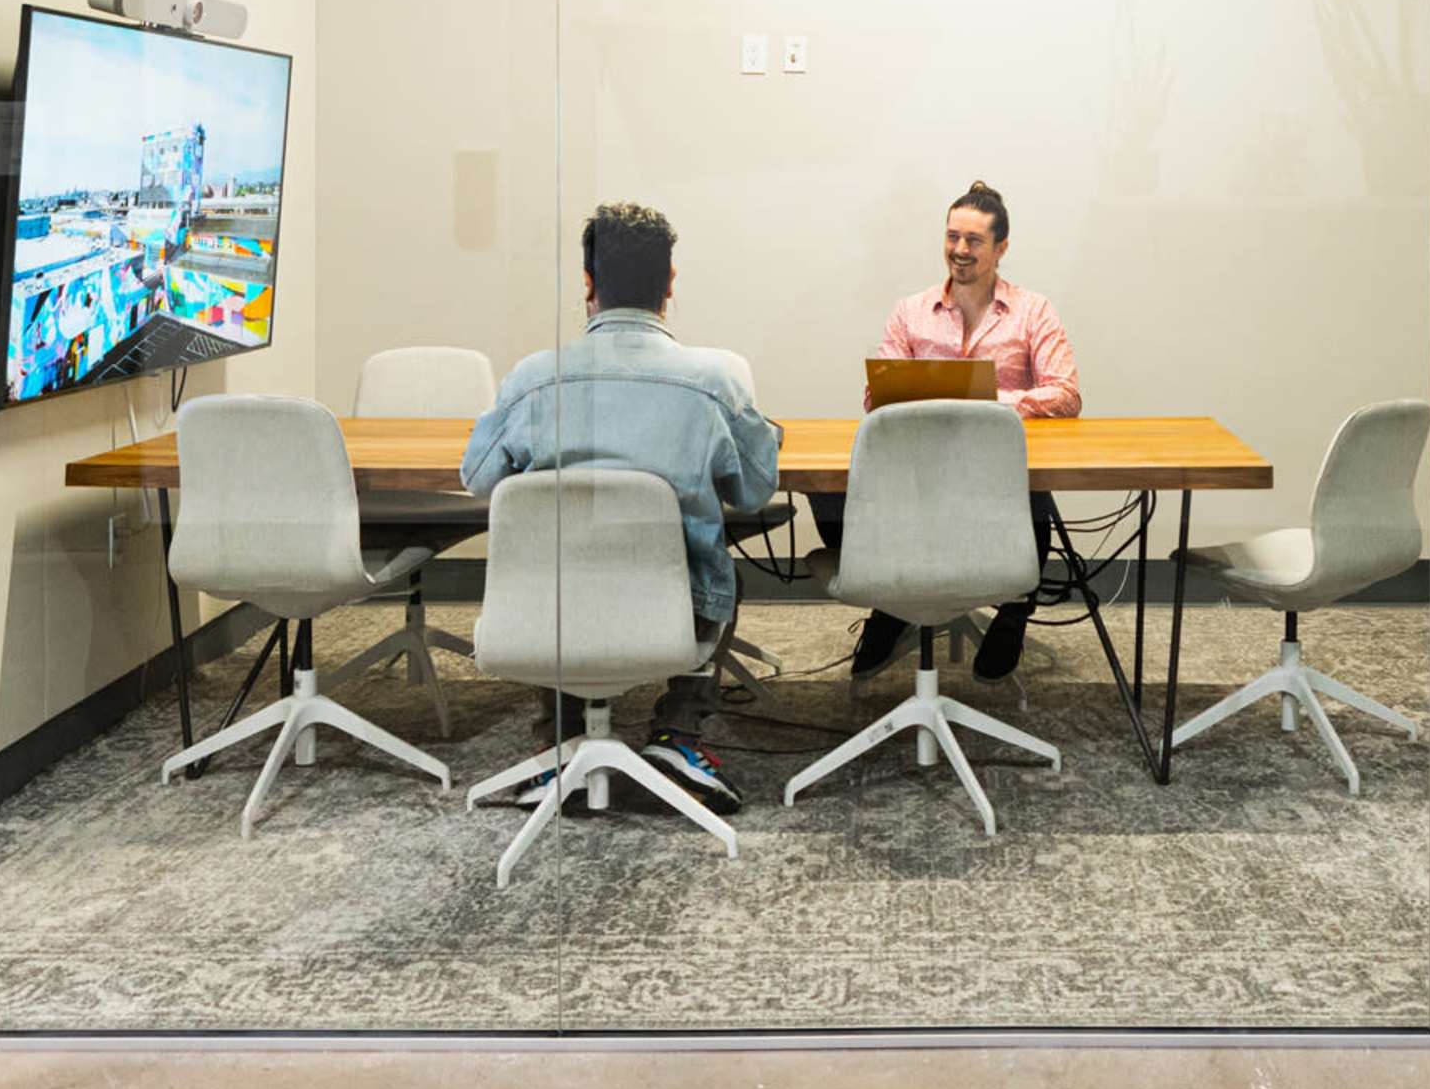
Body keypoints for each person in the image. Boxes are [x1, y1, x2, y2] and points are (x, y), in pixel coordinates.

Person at [461, 201, 781, 814]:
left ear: (588, 283)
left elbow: (478, 478)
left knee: (551, 565)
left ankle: (559, 738)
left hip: (546, 607)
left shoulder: (533, 379)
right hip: (674, 615)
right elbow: (754, 492)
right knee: (721, 576)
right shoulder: (714, 382)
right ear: (670, 285)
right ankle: (677, 736)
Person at [831, 178, 1078, 683]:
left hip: (1000, 472)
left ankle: (1013, 611)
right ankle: (892, 603)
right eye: (952, 238)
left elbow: (1066, 394)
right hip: (919, 469)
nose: (959, 251)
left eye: (973, 241)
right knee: (829, 492)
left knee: (1031, 493)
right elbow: (875, 396)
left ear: (1001, 248)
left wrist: (987, 403)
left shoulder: (1034, 311)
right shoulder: (911, 310)